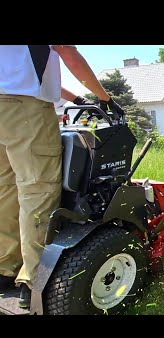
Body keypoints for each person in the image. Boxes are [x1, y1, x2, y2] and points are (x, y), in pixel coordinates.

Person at [0, 45, 124, 309]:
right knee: (38, 190)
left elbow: (24, 70)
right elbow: (66, 50)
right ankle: (33, 281)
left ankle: (5, 267)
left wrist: (78, 100)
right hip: (23, 106)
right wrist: (104, 98)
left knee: (6, 189)